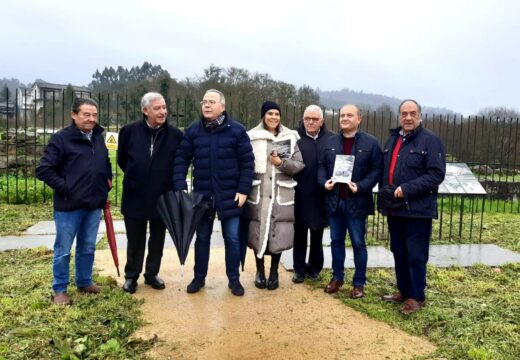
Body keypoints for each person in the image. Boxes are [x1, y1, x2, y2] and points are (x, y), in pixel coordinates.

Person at [173, 89, 254, 296]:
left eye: (211, 102)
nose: (206, 105)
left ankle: (234, 279)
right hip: (202, 195)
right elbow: (182, 158)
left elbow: (247, 162)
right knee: (202, 238)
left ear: (222, 107)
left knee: (233, 239)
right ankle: (199, 277)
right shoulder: (193, 131)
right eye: (204, 102)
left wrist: (244, 189)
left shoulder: (237, 131)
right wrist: (180, 184)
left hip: (231, 195)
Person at [36, 97, 112, 305]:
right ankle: (60, 289)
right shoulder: (61, 139)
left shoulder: (97, 137)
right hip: (69, 206)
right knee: (63, 249)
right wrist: (66, 188)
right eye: (86, 114)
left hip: (93, 203)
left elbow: (105, 162)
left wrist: (108, 180)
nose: (91, 119)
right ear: (74, 115)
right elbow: (43, 170)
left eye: (94, 115)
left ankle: (84, 281)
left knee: (87, 246)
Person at [379, 99, 446, 314]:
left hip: (418, 209)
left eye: (412, 113)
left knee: (416, 254)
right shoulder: (392, 140)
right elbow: (386, 171)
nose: (408, 117)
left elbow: (436, 174)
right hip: (395, 208)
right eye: (404, 113)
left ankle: (417, 297)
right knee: (398, 250)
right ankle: (404, 290)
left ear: (419, 116)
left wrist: (406, 189)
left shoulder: (430, 141)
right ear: (399, 116)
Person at [117, 92, 183, 294]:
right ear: (145, 110)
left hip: (162, 195)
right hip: (135, 193)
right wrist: (138, 174)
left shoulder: (175, 135)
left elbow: (179, 163)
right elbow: (122, 159)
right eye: (157, 108)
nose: (162, 111)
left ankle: (151, 273)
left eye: (164, 107)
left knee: (158, 238)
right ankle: (131, 276)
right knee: (135, 238)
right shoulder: (129, 131)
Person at [318, 104, 383, 298]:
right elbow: (321, 166)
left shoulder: (371, 143)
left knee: (358, 243)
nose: (345, 118)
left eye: (349, 115)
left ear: (359, 119)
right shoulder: (330, 142)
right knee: (336, 241)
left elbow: (377, 170)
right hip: (334, 201)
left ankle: (359, 283)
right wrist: (324, 183)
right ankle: (337, 277)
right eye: (342, 115)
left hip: (357, 201)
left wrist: (362, 185)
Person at [246, 101, 305, 290]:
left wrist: (280, 163)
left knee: (278, 233)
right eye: (270, 113)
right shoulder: (253, 138)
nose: (274, 117)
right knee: (258, 232)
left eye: (277, 114)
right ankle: (259, 271)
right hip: (260, 193)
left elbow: (298, 165)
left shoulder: (290, 138)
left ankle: (273, 272)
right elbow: (245, 163)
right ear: (263, 116)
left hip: (281, 192)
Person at [292, 105, 334, 283]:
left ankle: (315, 267)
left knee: (317, 233)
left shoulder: (332, 139)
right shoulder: (294, 139)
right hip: (300, 192)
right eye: (307, 118)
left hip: (323, 193)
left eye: (315, 119)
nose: (310, 122)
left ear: (322, 121)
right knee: (299, 233)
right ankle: (299, 269)